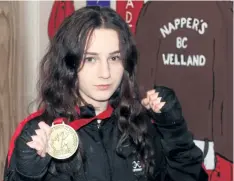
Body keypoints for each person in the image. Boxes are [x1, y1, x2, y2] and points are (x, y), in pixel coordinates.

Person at [3, 6, 208, 181]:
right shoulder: (40, 132)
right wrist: (26, 175)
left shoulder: (141, 124)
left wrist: (174, 131)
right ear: (69, 63)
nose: (105, 73)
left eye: (114, 58)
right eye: (91, 59)